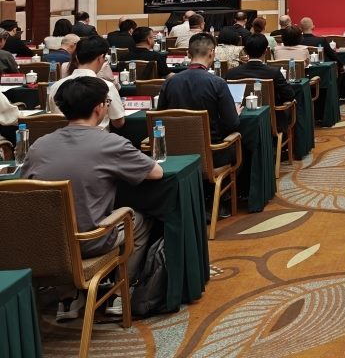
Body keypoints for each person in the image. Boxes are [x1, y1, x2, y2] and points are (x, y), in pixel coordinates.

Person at [24, 76, 162, 321]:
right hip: (90, 242)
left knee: (59, 222)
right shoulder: (110, 143)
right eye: (107, 102)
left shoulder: (38, 146)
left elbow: (25, 189)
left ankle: (68, 298)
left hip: (47, 245)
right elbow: (156, 172)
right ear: (99, 108)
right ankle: (120, 293)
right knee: (139, 221)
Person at [158, 33, 240, 164]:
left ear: (188, 54)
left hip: (174, 154)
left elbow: (160, 118)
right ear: (211, 53)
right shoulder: (218, 83)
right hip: (212, 154)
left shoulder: (169, 82)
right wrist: (235, 112)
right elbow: (232, 123)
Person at [47, 35, 126, 130]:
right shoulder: (106, 86)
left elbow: (52, 117)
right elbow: (118, 123)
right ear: (101, 58)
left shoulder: (55, 86)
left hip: (61, 138)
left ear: (76, 58)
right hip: (98, 138)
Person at [224, 33, 296, 108]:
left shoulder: (231, 74)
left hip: (240, 114)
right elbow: (289, 95)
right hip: (270, 114)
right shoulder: (274, 72)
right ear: (265, 51)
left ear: (245, 51)